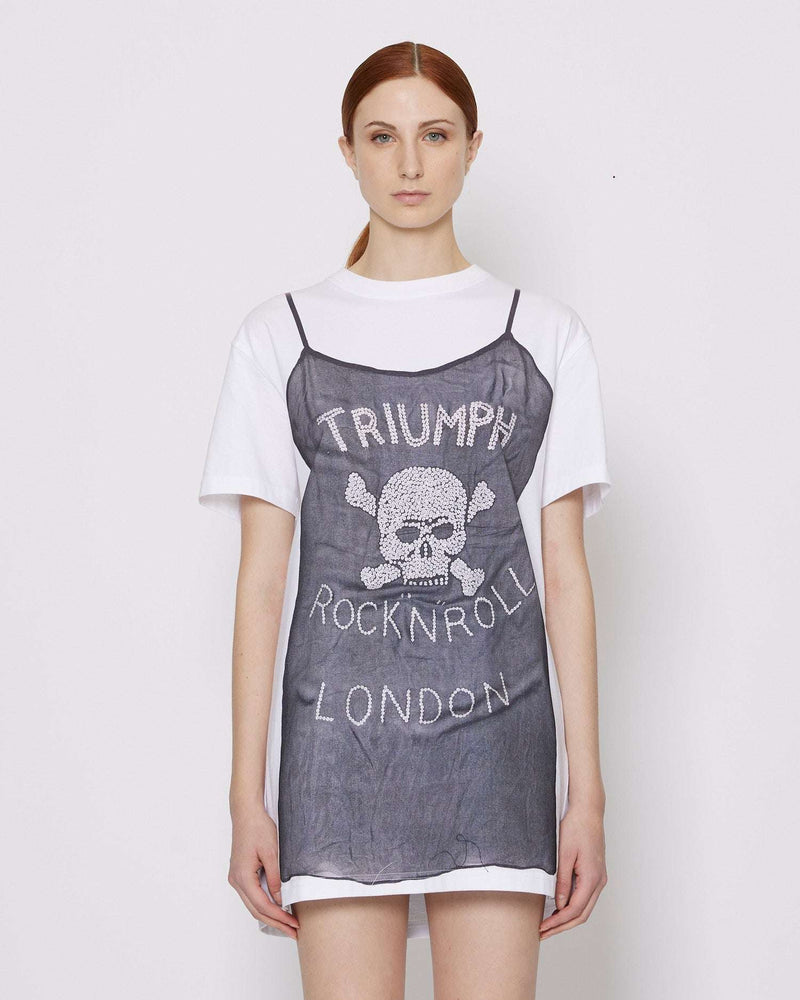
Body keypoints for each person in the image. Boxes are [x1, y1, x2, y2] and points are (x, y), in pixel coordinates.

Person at [198, 40, 611, 1000]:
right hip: (337, 758)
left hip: (497, 752)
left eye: (436, 135)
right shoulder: (280, 336)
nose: (411, 163)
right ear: (348, 151)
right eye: (383, 137)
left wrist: (586, 792)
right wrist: (245, 796)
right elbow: (262, 580)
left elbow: (565, 573)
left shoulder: (543, 335)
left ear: (473, 146)